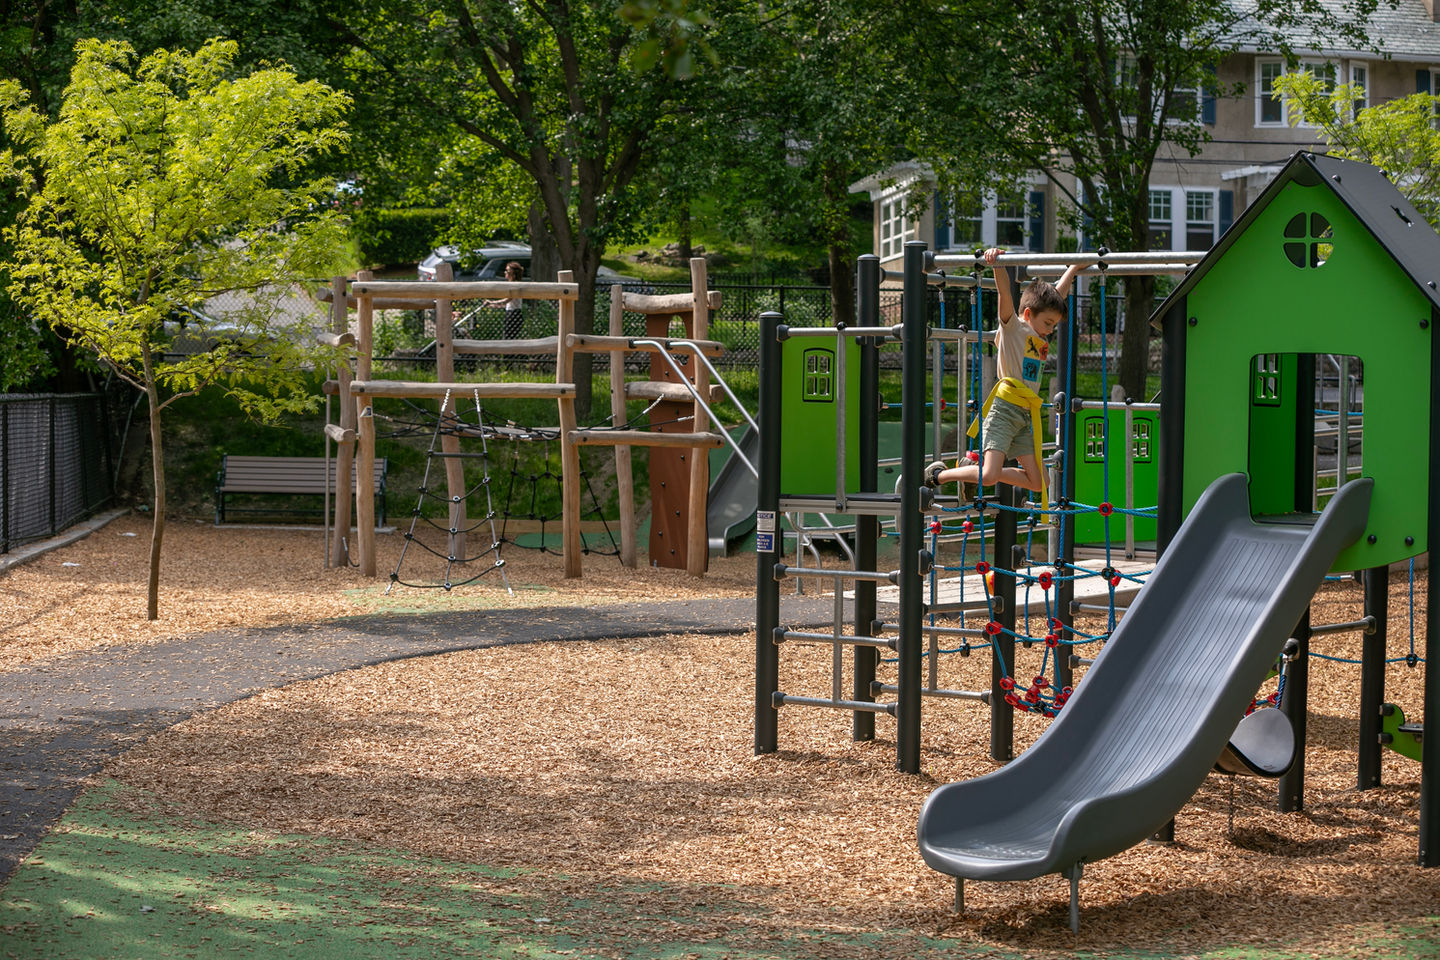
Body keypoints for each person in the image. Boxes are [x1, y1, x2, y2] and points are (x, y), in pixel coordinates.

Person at [927, 247, 1081, 505]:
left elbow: (1058, 294)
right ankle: (939, 475)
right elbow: (1005, 294)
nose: (1051, 330)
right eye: (1048, 323)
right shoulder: (1014, 329)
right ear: (1029, 314)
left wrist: (1074, 268)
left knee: (1040, 481)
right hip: (1004, 410)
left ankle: (972, 471)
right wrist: (998, 265)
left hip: (1024, 415)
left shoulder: (1039, 333)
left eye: (1054, 325)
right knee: (988, 475)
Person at [484, 261, 526, 338]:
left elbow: (507, 300)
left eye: (507, 270)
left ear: (513, 273)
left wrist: (491, 302)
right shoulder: (510, 284)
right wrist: (492, 305)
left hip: (514, 315)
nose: (505, 272)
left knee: (508, 338)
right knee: (507, 337)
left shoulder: (515, 285)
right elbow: (508, 305)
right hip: (510, 313)